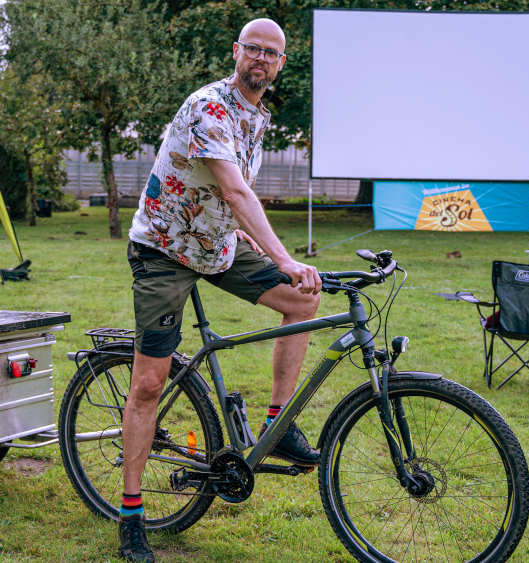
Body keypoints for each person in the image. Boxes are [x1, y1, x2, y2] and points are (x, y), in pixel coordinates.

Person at [117, 17, 322, 563]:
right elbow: (234, 190)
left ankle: (278, 423)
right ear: (236, 52)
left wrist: (277, 265)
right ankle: (132, 515)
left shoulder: (258, 116)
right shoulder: (210, 106)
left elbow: (236, 198)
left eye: (271, 53)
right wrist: (283, 257)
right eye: (252, 49)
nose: (260, 59)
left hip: (217, 248)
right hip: (165, 249)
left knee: (302, 300)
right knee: (148, 385)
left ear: (280, 65)